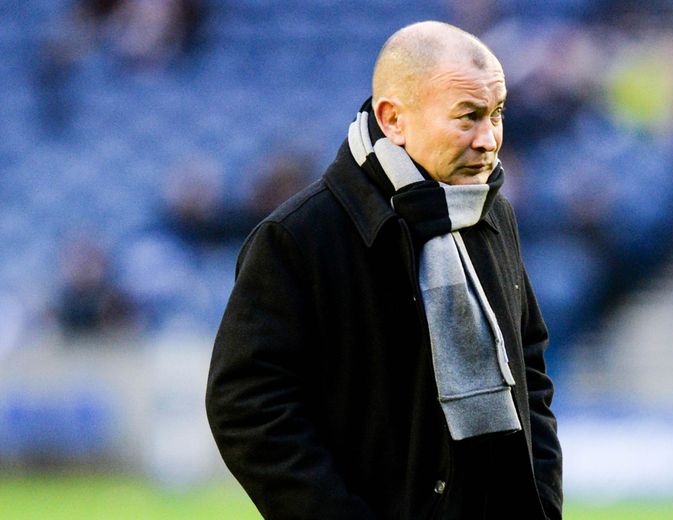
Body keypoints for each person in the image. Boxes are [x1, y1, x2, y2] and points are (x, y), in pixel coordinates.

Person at [205, 21, 562, 519]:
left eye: (497, 113)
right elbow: (246, 406)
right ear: (393, 120)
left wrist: (542, 501)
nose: (489, 140)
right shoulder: (298, 237)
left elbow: (529, 370)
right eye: (468, 117)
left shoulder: (492, 213)